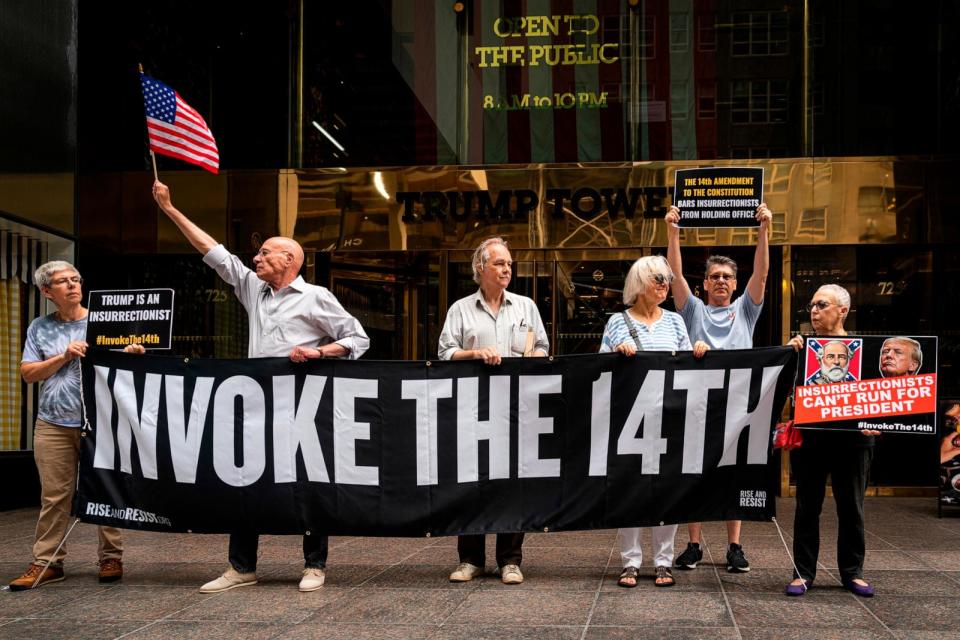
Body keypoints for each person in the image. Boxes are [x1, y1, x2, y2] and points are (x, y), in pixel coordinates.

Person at [152, 180, 369, 593]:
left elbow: (359, 338)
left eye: (265, 252)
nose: (256, 258)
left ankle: (314, 565)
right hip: (255, 407)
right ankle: (241, 567)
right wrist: (170, 209)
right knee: (244, 482)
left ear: (289, 259)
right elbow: (213, 253)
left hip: (301, 406)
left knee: (307, 481)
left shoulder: (316, 297)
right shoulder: (254, 288)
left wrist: (320, 353)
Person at [9, 261, 145, 591]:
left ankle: (111, 557)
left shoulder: (104, 321)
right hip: (53, 423)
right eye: (62, 282)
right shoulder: (40, 327)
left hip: (100, 419)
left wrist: (134, 354)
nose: (72, 285)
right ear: (46, 292)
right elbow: (28, 374)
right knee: (55, 495)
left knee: (105, 488)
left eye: (75, 279)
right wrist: (65, 356)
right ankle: (47, 562)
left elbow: (124, 370)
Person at [664, 202, 772, 574]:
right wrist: (673, 231)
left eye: (727, 276)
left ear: (735, 283)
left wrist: (764, 229)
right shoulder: (692, 311)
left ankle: (734, 547)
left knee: (734, 473)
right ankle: (693, 545)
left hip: (739, 405)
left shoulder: (746, 310)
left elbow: (762, 271)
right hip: (698, 405)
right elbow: (674, 273)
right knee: (696, 473)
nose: (722, 281)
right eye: (715, 276)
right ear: (705, 283)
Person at [438, 237, 548, 585]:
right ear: (480, 268)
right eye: (499, 263)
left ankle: (510, 560)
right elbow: (444, 353)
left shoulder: (526, 307)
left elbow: (543, 346)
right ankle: (470, 559)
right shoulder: (460, 309)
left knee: (513, 483)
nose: (506, 270)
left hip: (517, 409)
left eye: (509, 264)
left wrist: (532, 357)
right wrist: (475, 354)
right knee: (473, 483)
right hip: (474, 408)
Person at [599, 255, 709, 588]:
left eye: (666, 280)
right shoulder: (617, 321)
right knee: (630, 490)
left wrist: (699, 350)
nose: (664, 286)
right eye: (658, 280)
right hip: (630, 421)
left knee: (666, 490)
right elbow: (599, 370)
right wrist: (616, 351)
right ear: (640, 283)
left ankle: (664, 561)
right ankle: (630, 562)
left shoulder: (675, 322)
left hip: (668, 418)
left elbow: (686, 364)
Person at [786, 284, 881, 597]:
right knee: (807, 507)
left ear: (842, 310)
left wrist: (875, 421)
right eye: (812, 305)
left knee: (852, 507)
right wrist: (791, 354)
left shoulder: (865, 349)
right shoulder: (804, 346)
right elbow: (788, 388)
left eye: (822, 305)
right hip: (813, 439)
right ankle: (803, 572)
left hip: (854, 442)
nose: (814, 311)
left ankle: (853, 572)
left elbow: (879, 395)